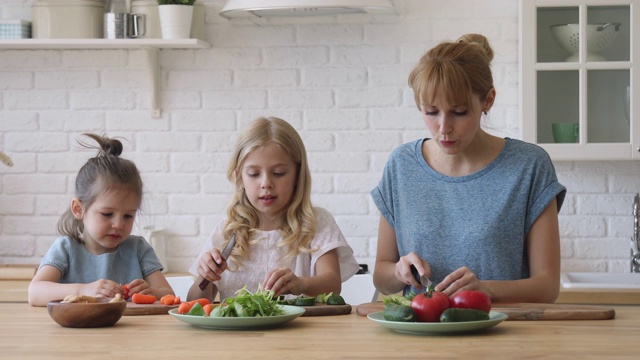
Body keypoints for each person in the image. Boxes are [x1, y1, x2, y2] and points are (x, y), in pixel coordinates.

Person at [371, 34, 566, 304]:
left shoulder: (529, 166)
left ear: (488, 100)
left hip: (504, 337)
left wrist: (486, 289)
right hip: (420, 337)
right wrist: (398, 271)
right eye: (431, 112)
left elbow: (547, 287)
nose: (443, 127)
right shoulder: (401, 165)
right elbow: (381, 276)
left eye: (459, 112)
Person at [187, 117, 359, 302]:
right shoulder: (227, 231)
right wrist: (205, 276)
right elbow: (193, 302)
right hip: (239, 332)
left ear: (297, 175)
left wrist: (301, 284)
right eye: (254, 174)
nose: (266, 183)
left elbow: (332, 284)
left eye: (278, 173)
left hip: (303, 330)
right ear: (239, 177)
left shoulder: (316, 222)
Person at [28, 133, 174, 306]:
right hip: (76, 332)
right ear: (78, 209)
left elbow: (168, 294)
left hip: (133, 332)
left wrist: (152, 292)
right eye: (107, 214)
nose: (119, 225)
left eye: (128, 215)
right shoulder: (66, 249)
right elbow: (35, 293)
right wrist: (83, 290)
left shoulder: (138, 249)